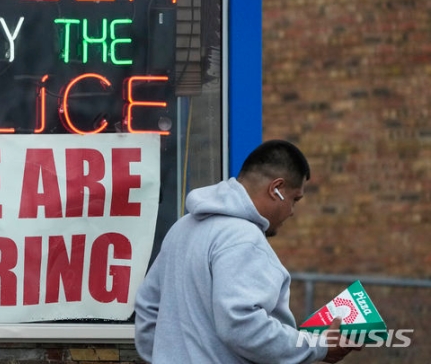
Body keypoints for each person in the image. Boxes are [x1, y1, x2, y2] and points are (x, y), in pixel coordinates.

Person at [134, 139, 361, 363]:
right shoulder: (244, 238)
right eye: (294, 199)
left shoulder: (182, 228)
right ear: (276, 189)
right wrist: (318, 347)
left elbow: (147, 305)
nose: (292, 211)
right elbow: (242, 326)